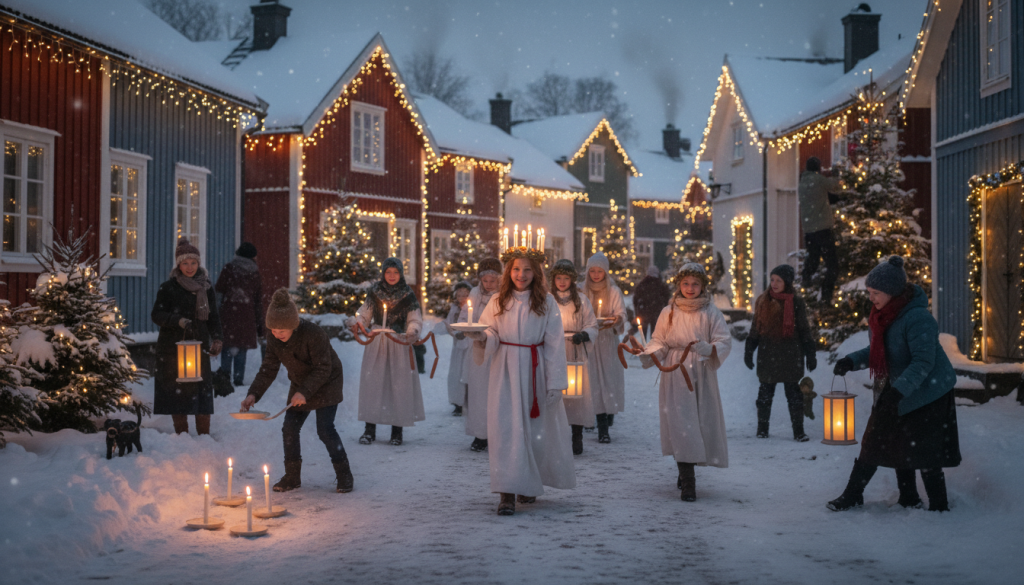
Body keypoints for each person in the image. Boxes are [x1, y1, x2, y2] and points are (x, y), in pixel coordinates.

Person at [828, 256, 961, 512]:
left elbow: (923, 361)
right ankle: (860, 495)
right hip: (898, 384)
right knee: (876, 439)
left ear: (892, 291)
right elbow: (882, 351)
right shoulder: (881, 316)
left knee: (923, 448)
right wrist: (851, 361)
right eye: (869, 292)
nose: (871, 298)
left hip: (929, 391)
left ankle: (939, 505)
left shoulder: (918, 318)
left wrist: (899, 391)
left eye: (876, 292)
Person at [465, 248, 575, 515]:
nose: (521, 275)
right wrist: (481, 337)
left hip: (534, 368)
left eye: (527, 270)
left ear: (535, 272)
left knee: (534, 431)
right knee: (506, 431)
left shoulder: (546, 302)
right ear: (508, 272)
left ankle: (528, 482)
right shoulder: (497, 300)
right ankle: (506, 492)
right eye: (516, 269)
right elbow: (489, 331)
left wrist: (555, 382)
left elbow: (554, 343)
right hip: (504, 370)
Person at [241, 289, 352, 493]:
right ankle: (292, 477)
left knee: (325, 429)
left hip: (327, 381)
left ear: (293, 324)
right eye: (273, 329)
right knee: (289, 429)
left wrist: (305, 392)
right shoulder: (274, 338)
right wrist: (253, 394)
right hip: (301, 384)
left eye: (281, 330)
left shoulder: (314, 334)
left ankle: (344, 474)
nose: (276, 334)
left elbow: (323, 368)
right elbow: (268, 369)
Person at [640, 263, 731, 502]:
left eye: (695, 284)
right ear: (679, 285)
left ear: (703, 286)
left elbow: (724, 340)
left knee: (698, 423)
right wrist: (652, 354)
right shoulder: (668, 311)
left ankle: (686, 467)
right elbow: (659, 340)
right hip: (676, 373)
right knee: (681, 424)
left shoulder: (711, 311)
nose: (690, 288)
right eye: (685, 283)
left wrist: (709, 348)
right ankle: (688, 479)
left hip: (700, 372)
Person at [346, 258, 424, 446]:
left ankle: (397, 431)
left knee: (399, 385)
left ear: (401, 274)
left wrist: (413, 330)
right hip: (377, 344)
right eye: (388, 272)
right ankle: (369, 429)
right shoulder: (375, 293)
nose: (391, 276)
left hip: (398, 342)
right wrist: (358, 323)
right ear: (383, 273)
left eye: (395, 272)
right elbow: (364, 314)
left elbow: (415, 318)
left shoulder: (407, 295)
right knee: (373, 385)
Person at [151, 238, 222, 435]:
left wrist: (217, 338)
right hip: (173, 347)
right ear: (178, 264)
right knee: (178, 393)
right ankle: (181, 437)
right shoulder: (168, 288)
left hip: (198, 345)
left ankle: (204, 436)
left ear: (198, 263)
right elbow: (156, 314)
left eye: (193, 262)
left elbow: (214, 317)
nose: (189, 267)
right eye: (185, 263)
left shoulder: (206, 288)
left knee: (201, 391)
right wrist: (177, 320)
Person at [744, 264, 816, 441]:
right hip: (768, 355)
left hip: (792, 356)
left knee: (794, 396)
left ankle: (798, 431)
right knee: (765, 395)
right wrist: (749, 349)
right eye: (772, 279)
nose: (774, 284)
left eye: (779, 280)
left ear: (788, 283)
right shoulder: (763, 301)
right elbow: (756, 328)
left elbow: (804, 330)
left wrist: (810, 353)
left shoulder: (796, 303)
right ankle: (762, 429)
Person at [549, 260, 598, 455]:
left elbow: (592, 324)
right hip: (553, 352)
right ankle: (556, 436)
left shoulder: (582, 301)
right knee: (556, 392)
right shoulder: (548, 300)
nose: (562, 282)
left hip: (575, 351)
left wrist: (584, 334)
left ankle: (576, 434)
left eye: (566, 278)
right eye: (558, 278)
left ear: (572, 279)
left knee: (576, 394)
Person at [580, 252, 626, 443]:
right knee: (591, 381)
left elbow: (620, 313)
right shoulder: (582, 290)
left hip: (606, 341)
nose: (596, 275)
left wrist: (615, 319)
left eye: (600, 271)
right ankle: (596, 421)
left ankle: (607, 415)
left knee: (608, 380)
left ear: (606, 272)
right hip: (589, 342)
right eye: (593, 271)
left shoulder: (613, 291)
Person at [459, 258, 502, 452]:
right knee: (477, 394)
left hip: (496, 349)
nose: (489, 284)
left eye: (493, 280)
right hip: (476, 349)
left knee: (495, 392)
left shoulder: (503, 295)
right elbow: (463, 317)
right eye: (485, 280)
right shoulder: (475, 294)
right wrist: (462, 328)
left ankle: (496, 433)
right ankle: (479, 434)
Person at [215, 242, 263, 390]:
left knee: (227, 348)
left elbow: (219, 291)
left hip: (228, 315)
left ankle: (224, 379)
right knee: (241, 350)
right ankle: (238, 380)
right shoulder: (255, 274)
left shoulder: (229, 269)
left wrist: (215, 315)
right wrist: (260, 328)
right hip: (247, 318)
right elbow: (258, 301)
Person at [798, 156, 842, 301]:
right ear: (817, 168)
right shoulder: (819, 180)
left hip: (809, 230)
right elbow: (836, 186)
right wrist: (837, 174)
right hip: (823, 229)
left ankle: (806, 277)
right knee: (832, 265)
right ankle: (826, 295)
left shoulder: (802, 182)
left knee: (813, 259)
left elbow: (820, 197)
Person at [443, 281, 473, 416]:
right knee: (456, 373)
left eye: (466, 295)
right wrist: (451, 331)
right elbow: (449, 323)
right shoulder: (454, 309)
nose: (463, 298)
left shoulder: (472, 308)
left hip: (470, 345)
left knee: (467, 372)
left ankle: (469, 401)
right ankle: (457, 402)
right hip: (457, 345)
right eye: (460, 295)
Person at [633, 265, 671, 341]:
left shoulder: (642, 284)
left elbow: (635, 298)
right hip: (656, 312)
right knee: (655, 333)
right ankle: (653, 349)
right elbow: (666, 298)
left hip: (643, 311)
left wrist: (637, 310)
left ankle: (644, 347)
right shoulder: (661, 285)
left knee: (643, 331)